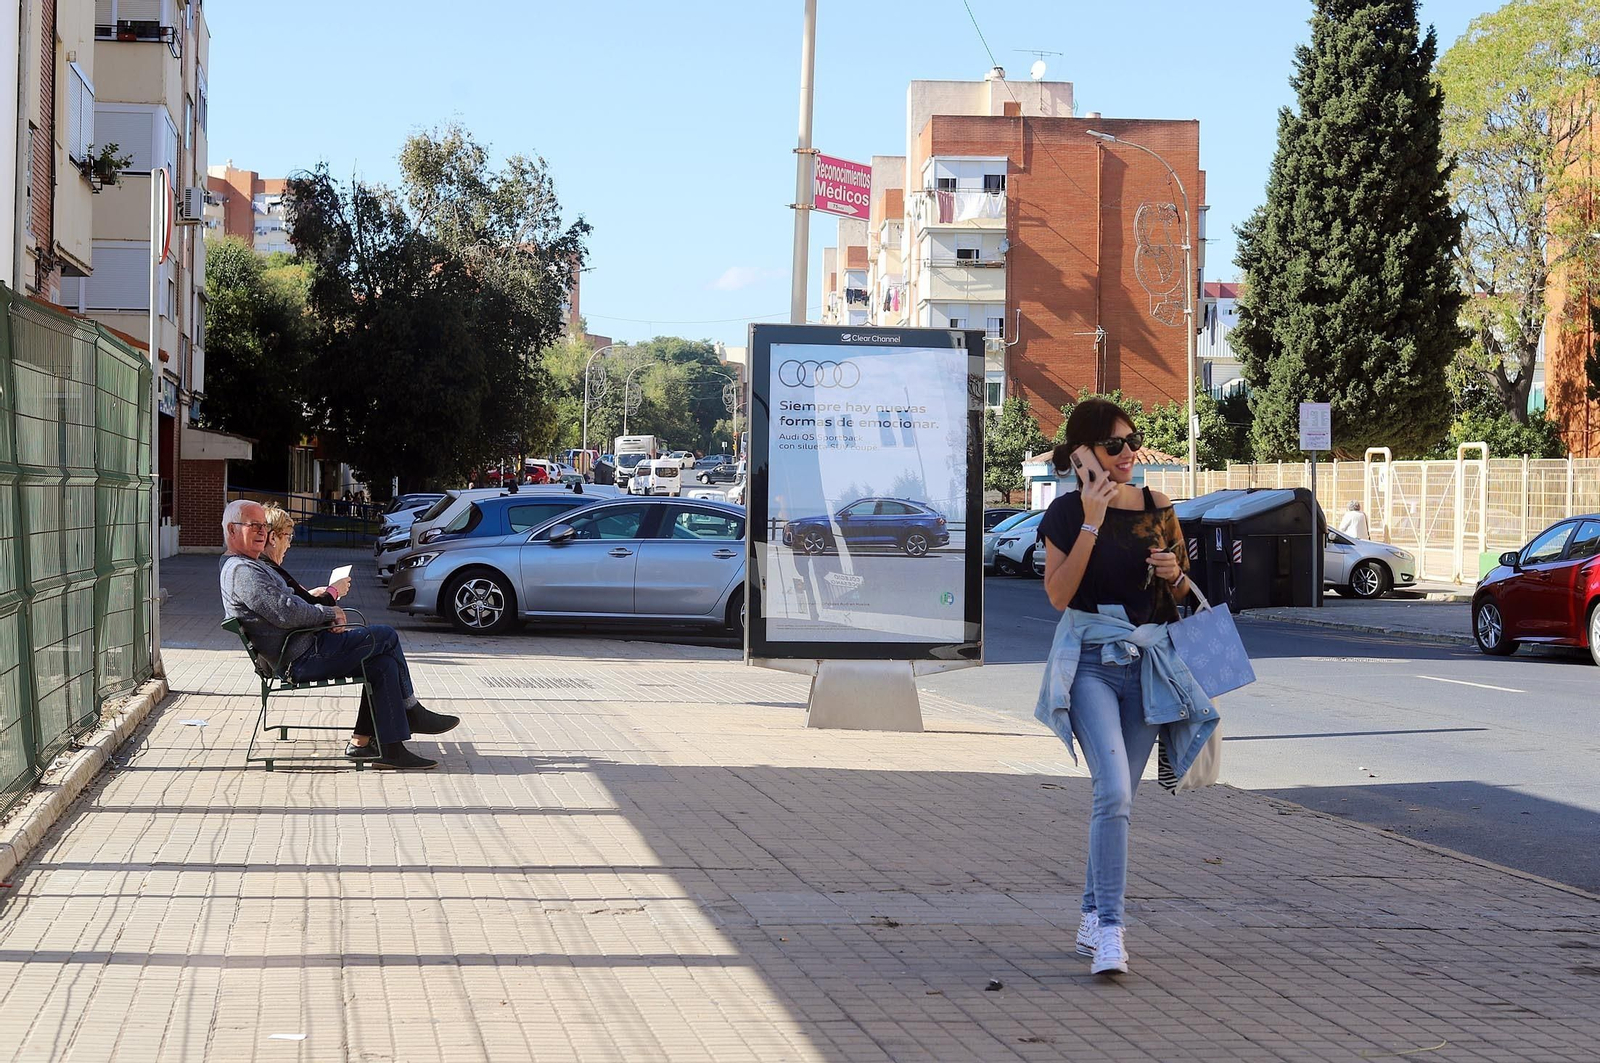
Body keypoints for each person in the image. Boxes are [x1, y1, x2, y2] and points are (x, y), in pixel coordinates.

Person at [1032, 397, 1220, 977]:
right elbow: (1059, 596)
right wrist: (1091, 516)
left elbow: (1182, 595)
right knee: (1112, 788)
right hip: (1089, 660)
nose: (1127, 455)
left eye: (1132, 442)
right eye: (1113, 445)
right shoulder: (1065, 514)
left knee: (1120, 799)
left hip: (1147, 665)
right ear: (1084, 452)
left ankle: (1091, 913)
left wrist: (1176, 576)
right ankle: (1112, 928)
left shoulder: (1159, 507)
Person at [220, 498, 459, 769]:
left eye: (263, 525)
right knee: (385, 636)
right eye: (254, 526)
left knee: (381, 664)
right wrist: (328, 614)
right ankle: (411, 711)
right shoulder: (243, 571)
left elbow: (289, 607)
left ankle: (379, 746)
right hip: (300, 657)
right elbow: (286, 612)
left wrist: (321, 611)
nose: (262, 532)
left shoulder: (250, 566)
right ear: (231, 530)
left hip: (302, 648)